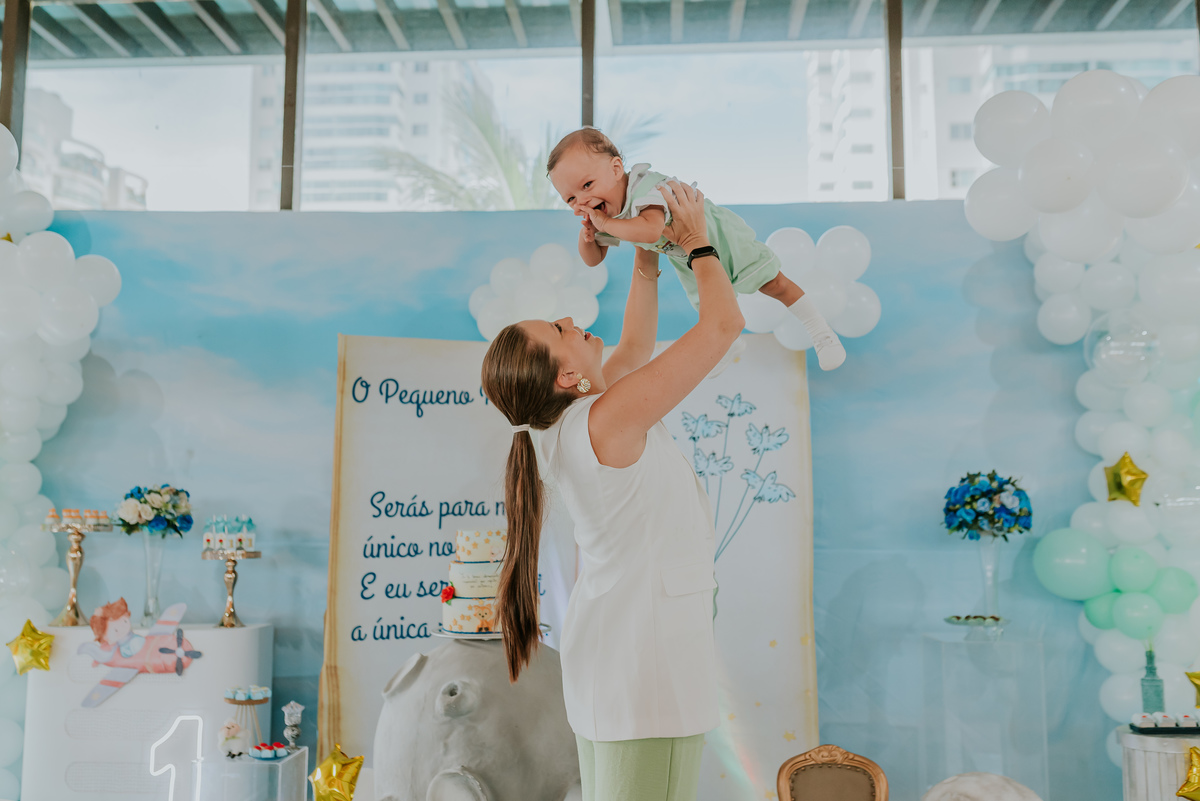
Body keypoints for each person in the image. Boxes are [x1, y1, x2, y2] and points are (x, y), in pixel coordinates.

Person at [481, 181, 737, 801]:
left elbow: (637, 347)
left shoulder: (577, 421)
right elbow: (724, 325)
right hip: (646, 670)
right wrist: (696, 240)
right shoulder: (606, 419)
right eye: (560, 328)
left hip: (621, 664)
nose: (573, 320)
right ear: (568, 376)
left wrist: (647, 252)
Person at [546, 127, 846, 372]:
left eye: (586, 185)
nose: (581, 201)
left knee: (774, 283)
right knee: (710, 308)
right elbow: (594, 260)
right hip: (689, 257)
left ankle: (820, 331)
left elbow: (649, 229)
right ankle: (730, 345)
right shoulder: (607, 216)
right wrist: (588, 237)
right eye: (570, 198)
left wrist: (604, 223)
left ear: (615, 169)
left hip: (719, 237)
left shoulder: (644, 189)